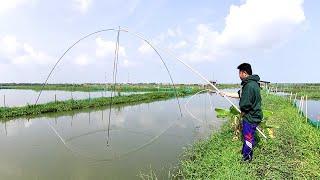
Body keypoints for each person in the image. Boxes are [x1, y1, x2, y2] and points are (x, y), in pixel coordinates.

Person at [220, 63, 263, 162]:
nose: (239, 75)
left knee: (248, 138)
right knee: (247, 135)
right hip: (254, 115)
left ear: (244, 73)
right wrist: (225, 94)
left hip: (251, 117)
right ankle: (244, 152)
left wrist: (242, 112)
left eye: (239, 72)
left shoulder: (249, 85)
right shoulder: (252, 83)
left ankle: (247, 158)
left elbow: (245, 104)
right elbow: (239, 94)